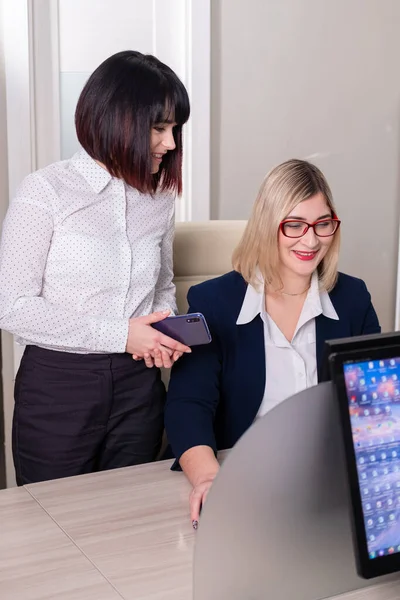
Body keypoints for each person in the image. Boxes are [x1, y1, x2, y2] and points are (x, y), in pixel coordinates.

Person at [0, 50, 191, 485]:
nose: (171, 143)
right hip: (57, 388)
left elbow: (163, 285)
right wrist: (123, 333)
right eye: (159, 128)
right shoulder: (45, 191)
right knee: (54, 525)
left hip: (139, 385)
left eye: (175, 129)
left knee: (129, 520)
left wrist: (164, 330)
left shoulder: (159, 198)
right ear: (116, 119)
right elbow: (11, 306)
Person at [164, 159, 381, 527]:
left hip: (326, 482)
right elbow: (189, 405)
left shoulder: (352, 298)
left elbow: (373, 403)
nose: (311, 240)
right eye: (294, 225)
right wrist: (208, 478)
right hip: (242, 479)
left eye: (322, 224)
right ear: (268, 227)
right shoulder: (214, 302)